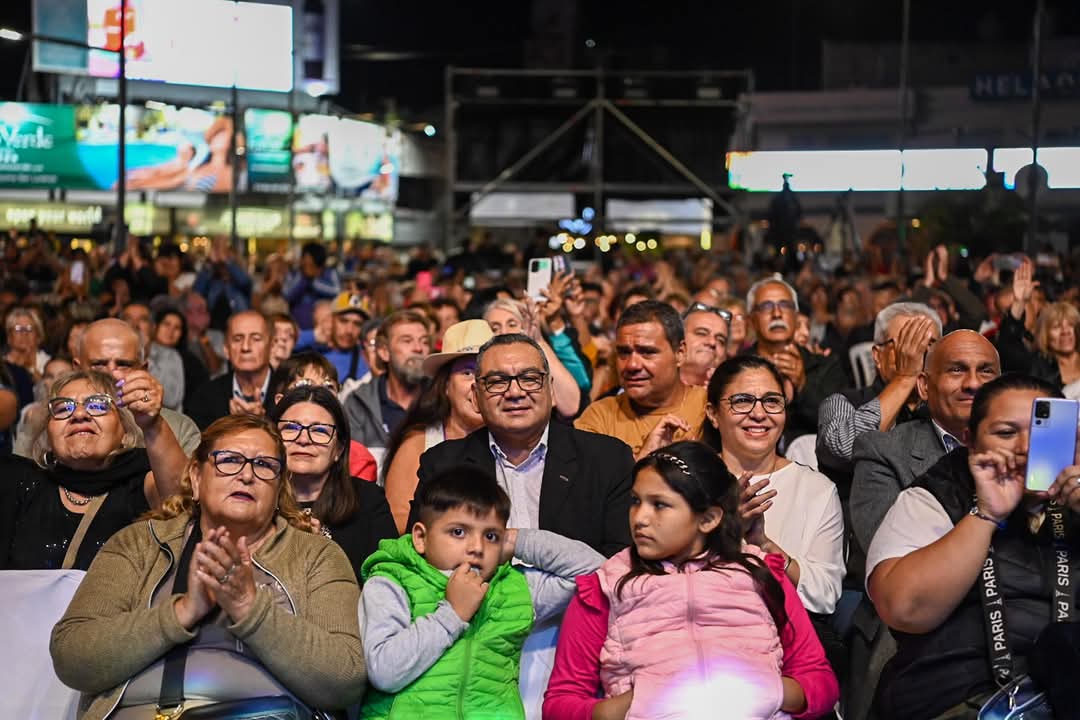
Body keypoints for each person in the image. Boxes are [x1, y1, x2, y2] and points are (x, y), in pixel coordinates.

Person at [49, 414, 366, 718]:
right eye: (229, 460)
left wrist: (250, 608)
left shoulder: (316, 555)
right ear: (197, 478)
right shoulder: (139, 544)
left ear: (279, 488)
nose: (247, 475)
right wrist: (183, 610)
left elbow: (345, 679)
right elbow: (72, 657)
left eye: (264, 465)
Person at [544, 441, 839, 720]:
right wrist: (630, 706)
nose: (640, 518)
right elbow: (560, 703)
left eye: (659, 505)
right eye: (635, 501)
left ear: (708, 519)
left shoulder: (761, 574)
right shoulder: (606, 585)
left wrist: (770, 689)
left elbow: (820, 681)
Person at [866, 374, 1080, 718]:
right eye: (1006, 433)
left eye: (1043, 432)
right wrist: (986, 513)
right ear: (969, 439)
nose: (1026, 446)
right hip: (961, 698)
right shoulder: (937, 495)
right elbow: (903, 609)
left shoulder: (1074, 500)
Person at [360, 463, 603, 719]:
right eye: (458, 532)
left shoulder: (515, 587)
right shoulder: (392, 581)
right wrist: (452, 614)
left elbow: (596, 572)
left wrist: (516, 540)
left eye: (490, 536)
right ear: (421, 537)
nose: (476, 547)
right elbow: (383, 672)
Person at [0, 368, 186, 570]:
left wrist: (152, 424)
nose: (79, 414)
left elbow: (182, 500)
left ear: (125, 431)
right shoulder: (20, 480)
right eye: (63, 408)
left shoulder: (143, 480)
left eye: (97, 405)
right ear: (48, 435)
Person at [702, 355, 844, 615]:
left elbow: (825, 594)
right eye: (742, 401)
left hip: (786, 626)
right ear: (713, 413)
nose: (759, 414)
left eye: (771, 401)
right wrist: (728, 532)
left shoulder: (816, 489)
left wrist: (765, 545)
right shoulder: (691, 480)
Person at [850, 330, 1001, 556]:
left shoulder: (1024, 450)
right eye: (956, 370)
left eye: (986, 371)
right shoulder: (883, 452)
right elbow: (889, 555)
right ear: (924, 386)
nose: (973, 383)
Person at [816, 302, 941, 500]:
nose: (917, 353)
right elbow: (844, 447)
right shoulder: (843, 402)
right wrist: (905, 378)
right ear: (877, 355)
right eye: (906, 342)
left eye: (930, 345)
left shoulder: (946, 411)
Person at [271, 385, 396, 582]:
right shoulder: (259, 503)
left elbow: (388, 579)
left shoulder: (368, 500)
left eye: (319, 430)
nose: (303, 439)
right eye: (291, 428)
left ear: (339, 449)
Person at [383, 319, 490, 533]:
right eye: (467, 372)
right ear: (446, 386)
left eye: (487, 374)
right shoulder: (419, 443)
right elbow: (396, 519)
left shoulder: (511, 443)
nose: (477, 384)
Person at [576, 300, 707, 460]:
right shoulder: (599, 417)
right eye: (624, 353)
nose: (632, 365)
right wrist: (643, 457)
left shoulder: (708, 410)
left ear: (680, 353)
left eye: (647, 352)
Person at [73, 317, 202, 456]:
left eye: (123, 365)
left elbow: (187, 471)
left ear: (143, 370)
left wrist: (153, 426)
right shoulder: (62, 424)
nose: (112, 373)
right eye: (99, 364)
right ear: (77, 369)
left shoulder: (178, 429)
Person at [744, 278, 848, 444]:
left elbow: (842, 429)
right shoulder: (738, 368)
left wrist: (802, 385)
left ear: (796, 316)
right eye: (766, 306)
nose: (777, 314)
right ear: (751, 320)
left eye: (785, 305)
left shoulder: (826, 366)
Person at [270, 351, 378, 483]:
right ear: (280, 400)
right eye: (305, 386)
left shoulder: (356, 459)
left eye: (329, 387)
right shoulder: (260, 448)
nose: (317, 395)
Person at [343, 309, 431, 462]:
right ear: (384, 352)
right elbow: (354, 465)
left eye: (424, 342)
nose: (418, 348)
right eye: (407, 341)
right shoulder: (358, 403)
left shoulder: (443, 398)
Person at [484, 297, 585, 418]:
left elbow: (571, 406)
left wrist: (538, 341)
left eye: (512, 324)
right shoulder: (482, 368)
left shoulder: (538, 361)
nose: (504, 332)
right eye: (495, 328)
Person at [997, 260, 1080, 392]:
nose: (1065, 331)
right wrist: (1019, 303)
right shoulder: (1037, 365)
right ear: (1045, 334)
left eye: (1070, 325)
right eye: (1057, 327)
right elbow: (1008, 346)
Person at [187, 310, 277, 430]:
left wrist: (261, 422)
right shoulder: (205, 396)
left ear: (271, 346)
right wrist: (233, 424)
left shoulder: (288, 391)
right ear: (226, 349)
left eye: (256, 339)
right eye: (237, 339)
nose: (245, 347)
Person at [121, 302, 185, 411]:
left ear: (153, 327)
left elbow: (171, 399)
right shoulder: (109, 354)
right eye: (128, 319)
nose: (135, 325)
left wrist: (144, 356)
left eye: (143, 320)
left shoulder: (169, 355)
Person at [13, 355, 72, 457]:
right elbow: (21, 452)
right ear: (43, 381)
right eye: (49, 376)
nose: (55, 381)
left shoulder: (81, 412)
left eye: (63, 375)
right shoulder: (31, 412)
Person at [153, 306, 210, 410]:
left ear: (182, 334)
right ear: (155, 326)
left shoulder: (190, 362)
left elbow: (171, 400)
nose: (171, 331)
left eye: (177, 328)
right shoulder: (141, 350)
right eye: (166, 324)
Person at [283, 242, 342, 330]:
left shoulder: (330, 273)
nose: (306, 263)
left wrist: (313, 281)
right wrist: (304, 278)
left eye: (310, 262)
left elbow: (337, 292)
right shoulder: (294, 274)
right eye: (304, 259)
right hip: (298, 327)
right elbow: (288, 295)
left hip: (324, 328)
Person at [323, 292, 372, 384]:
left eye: (357, 324)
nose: (349, 330)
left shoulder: (367, 358)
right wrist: (314, 336)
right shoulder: (311, 348)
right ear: (330, 320)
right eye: (343, 321)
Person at [679, 301, 731, 387]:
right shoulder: (656, 386)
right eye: (701, 333)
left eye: (720, 340)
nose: (712, 342)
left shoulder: (733, 393)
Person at [5, 307, 49, 380]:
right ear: (9, 336)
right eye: (18, 328)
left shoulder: (48, 362)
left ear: (39, 335)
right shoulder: (2, 366)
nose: (24, 333)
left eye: (29, 328)